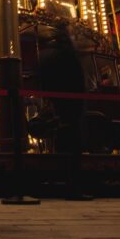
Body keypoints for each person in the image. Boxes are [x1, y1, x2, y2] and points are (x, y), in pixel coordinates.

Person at [37, 24, 90, 200]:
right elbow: (76, 78)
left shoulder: (44, 55)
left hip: (53, 100)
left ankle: (56, 178)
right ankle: (73, 185)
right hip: (71, 101)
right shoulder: (67, 54)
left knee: (58, 136)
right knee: (73, 140)